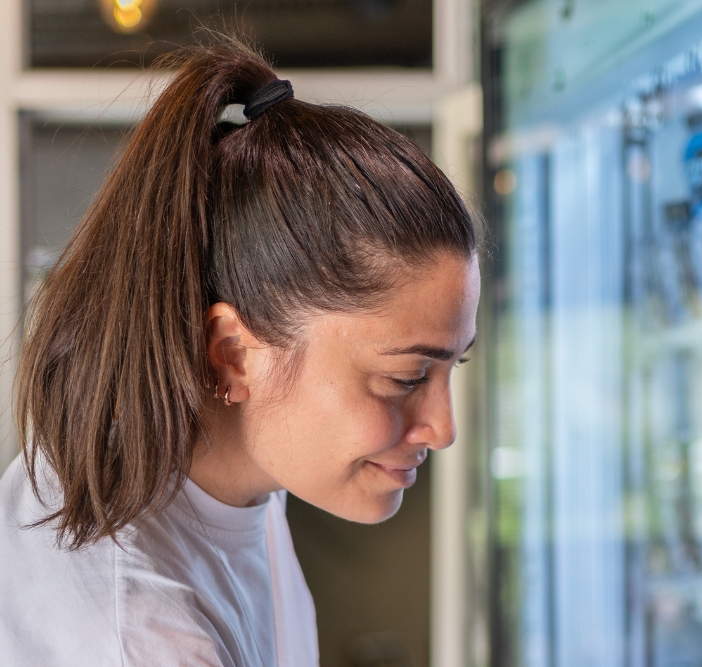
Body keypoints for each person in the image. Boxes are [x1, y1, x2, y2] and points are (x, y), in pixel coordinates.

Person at [0, 38, 480, 667]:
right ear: (233, 353)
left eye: (452, 366)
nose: (442, 429)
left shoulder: (220, 468)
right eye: (405, 377)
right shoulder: (137, 639)